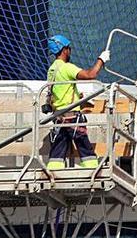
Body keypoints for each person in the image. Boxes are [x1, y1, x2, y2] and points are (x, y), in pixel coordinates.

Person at [45, 34, 109, 169]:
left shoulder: (52, 69)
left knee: (58, 151)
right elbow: (90, 74)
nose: (70, 51)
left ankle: (53, 175)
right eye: (69, 48)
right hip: (72, 116)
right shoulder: (66, 67)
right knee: (84, 147)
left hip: (59, 117)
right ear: (64, 50)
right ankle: (93, 172)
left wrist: (77, 97)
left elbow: (61, 90)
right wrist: (101, 60)